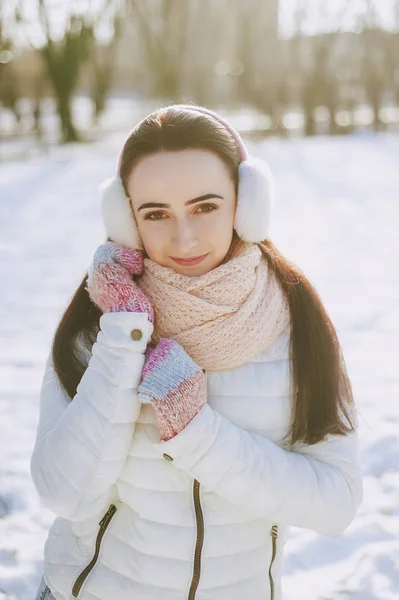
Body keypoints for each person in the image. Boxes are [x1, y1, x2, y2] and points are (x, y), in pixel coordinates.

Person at [31, 104, 363, 600]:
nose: (183, 237)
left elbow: (336, 502)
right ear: (126, 221)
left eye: (205, 206)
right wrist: (124, 333)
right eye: (155, 214)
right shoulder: (98, 324)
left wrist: (197, 434)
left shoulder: (296, 326)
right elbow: (64, 492)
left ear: (246, 204)